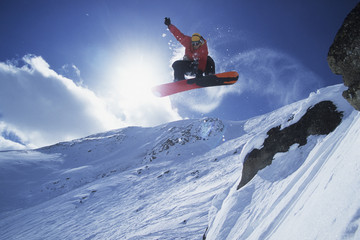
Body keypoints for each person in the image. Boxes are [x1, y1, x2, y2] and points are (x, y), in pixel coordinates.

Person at [164, 17, 215, 82]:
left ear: (200, 43)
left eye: (197, 43)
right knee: (176, 64)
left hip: (200, 67)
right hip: (190, 66)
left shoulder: (203, 46)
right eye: (193, 43)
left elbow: (203, 59)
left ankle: (209, 76)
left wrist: (200, 71)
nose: (195, 45)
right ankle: (179, 80)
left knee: (209, 59)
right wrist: (169, 25)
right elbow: (178, 35)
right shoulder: (187, 41)